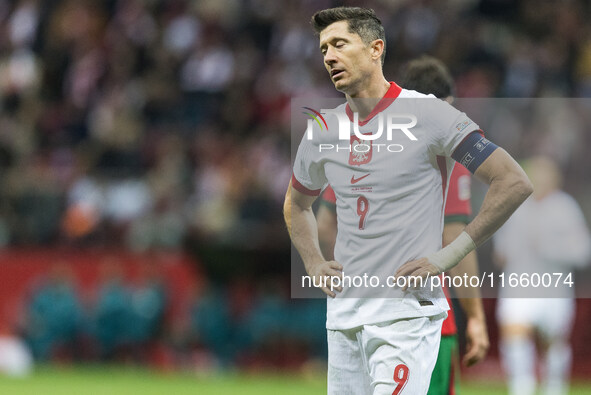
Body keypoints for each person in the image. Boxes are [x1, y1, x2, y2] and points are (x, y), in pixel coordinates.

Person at [284, 7, 532, 394]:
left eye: (339, 44)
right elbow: (296, 205)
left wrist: (446, 257)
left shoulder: (430, 114)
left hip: (405, 315)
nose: (329, 56)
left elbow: (513, 181)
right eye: (323, 49)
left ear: (374, 49)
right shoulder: (323, 129)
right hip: (344, 316)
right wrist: (313, 263)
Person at [316, 55, 489, 395]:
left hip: (358, 310)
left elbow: (323, 224)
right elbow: (453, 233)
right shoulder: (443, 145)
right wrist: (477, 317)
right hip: (419, 315)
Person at [494, 156, 591, 395]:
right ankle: (521, 388)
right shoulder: (514, 205)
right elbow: (501, 248)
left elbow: (583, 251)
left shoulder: (565, 207)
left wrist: (550, 249)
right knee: (514, 333)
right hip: (519, 284)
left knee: (553, 343)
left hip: (553, 287)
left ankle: (554, 387)